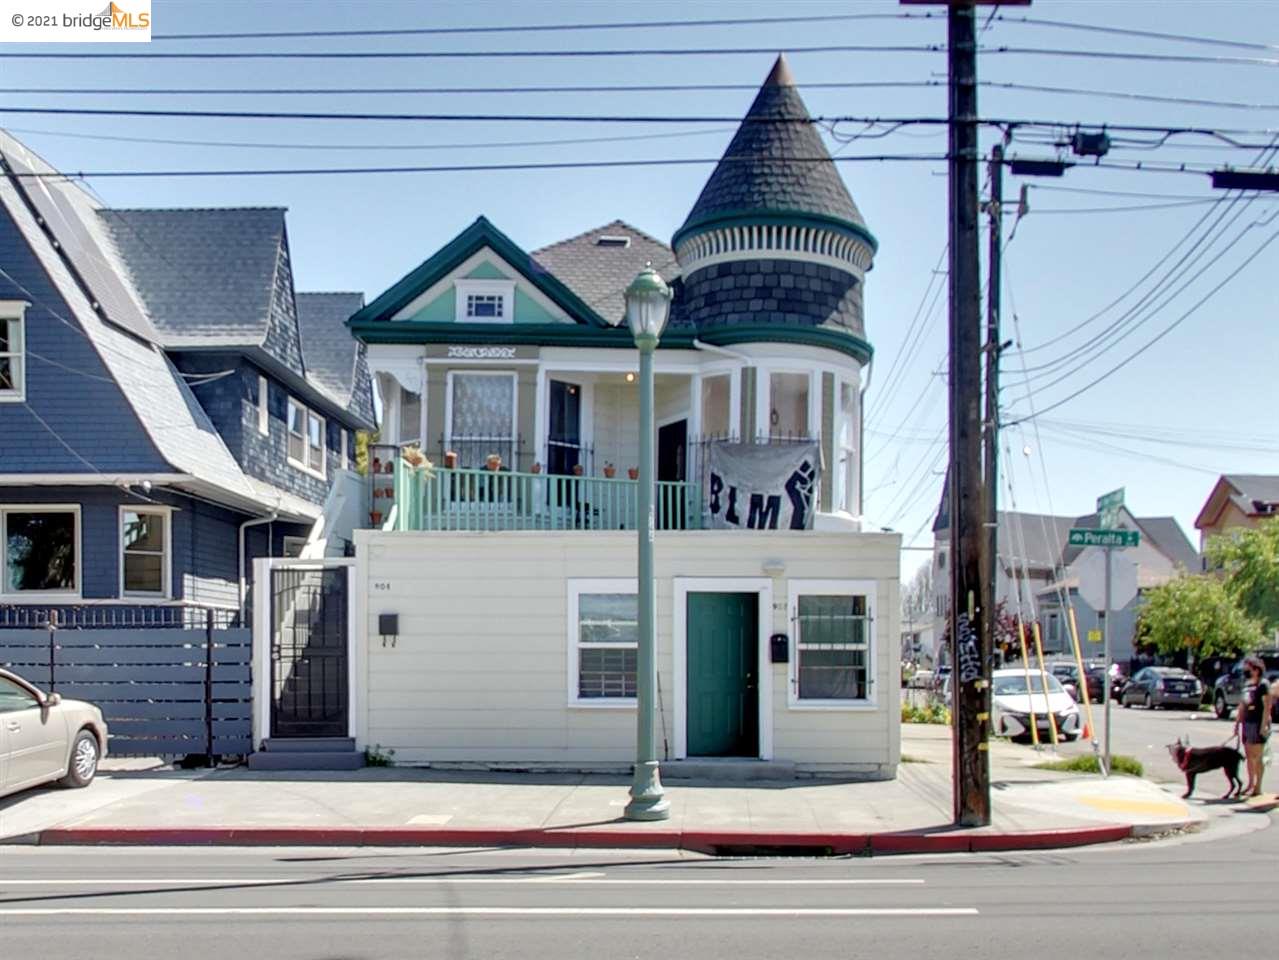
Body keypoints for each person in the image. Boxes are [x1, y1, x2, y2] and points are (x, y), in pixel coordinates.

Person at [1234, 656, 1272, 797]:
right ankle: (1250, 784)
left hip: (1257, 722)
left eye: (1247, 668)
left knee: (1257, 756)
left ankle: (1258, 786)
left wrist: (1263, 726)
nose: (1245, 670)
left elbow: (1267, 707)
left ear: (1256, 669)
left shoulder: (1263, 684)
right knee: (1249, 755)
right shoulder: (1247, 684)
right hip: (1247, 722)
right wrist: (1237, 722)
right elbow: (1243, 704)